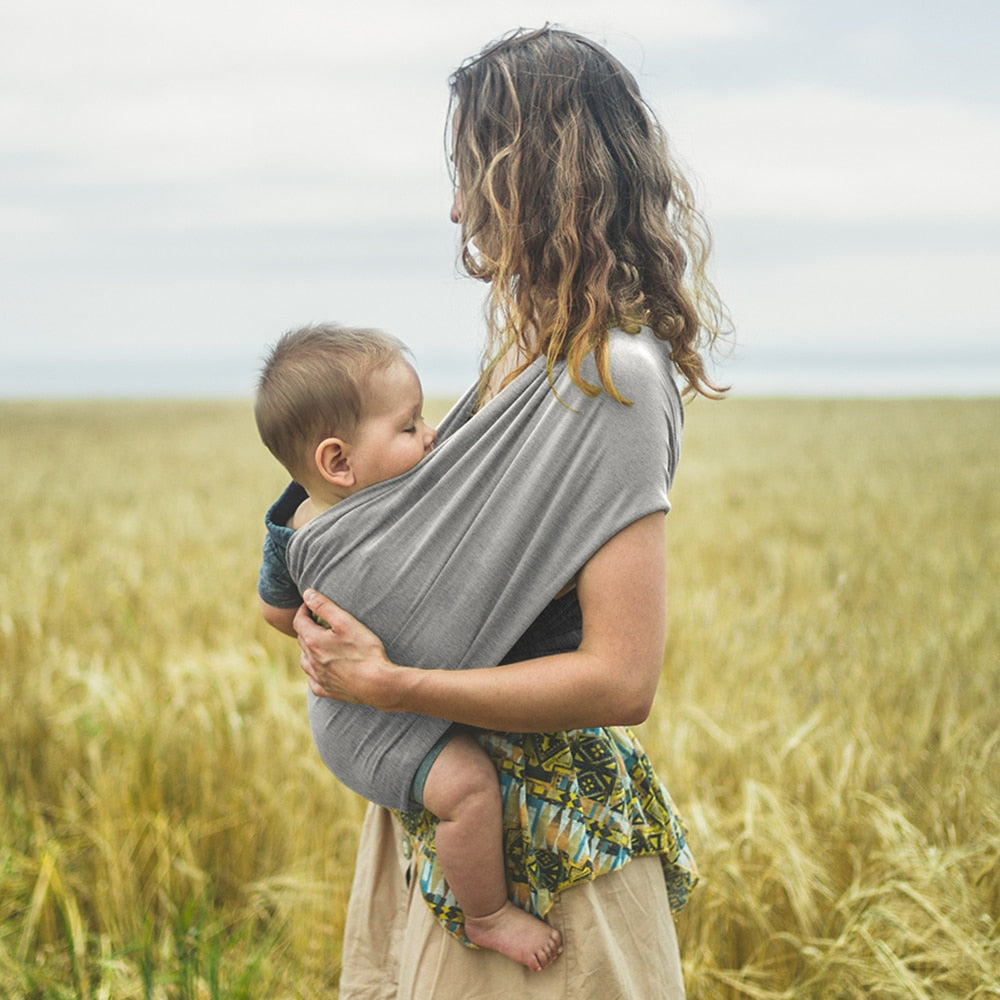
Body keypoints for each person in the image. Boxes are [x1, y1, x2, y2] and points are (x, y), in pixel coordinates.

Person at [292, 25, 729, 999]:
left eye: (474, 176)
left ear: (540, 179)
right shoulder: (524, 354)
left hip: (545, 865)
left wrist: (393, 685)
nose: (456, 209)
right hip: (445, 822)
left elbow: (619, 679)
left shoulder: (611, 378)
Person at [253, 323, 564, 971]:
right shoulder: (300, 533)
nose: (430, 437)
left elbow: (271, 609)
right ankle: (487, 915)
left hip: (391, 691)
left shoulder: (408, 504)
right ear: (337, 463)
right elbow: (277, 612)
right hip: (360, 725)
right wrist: (321, 634)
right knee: (468, 787)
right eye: (409, 426)